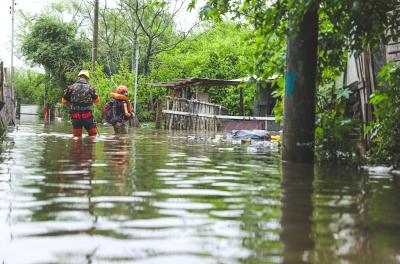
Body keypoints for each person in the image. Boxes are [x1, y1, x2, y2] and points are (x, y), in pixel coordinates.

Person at [61, 70, 100, 137]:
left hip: (75, 115)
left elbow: (63, 101)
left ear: (79, 77)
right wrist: (89, 101)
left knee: (77, 137)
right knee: (93, 135)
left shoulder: (71, 87)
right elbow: (97, 101)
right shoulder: (90, 88)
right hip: (87, 115)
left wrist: (71, 101)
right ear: (87, 78)